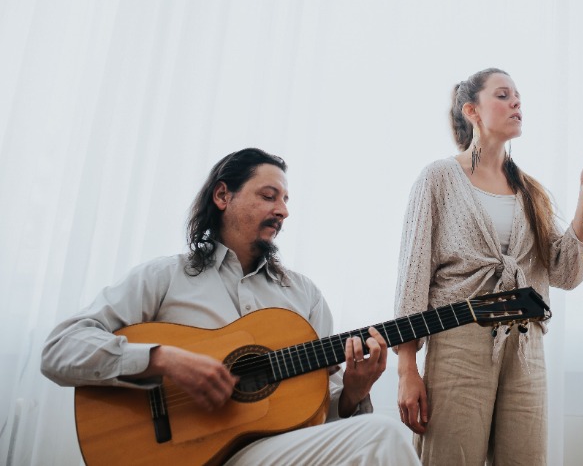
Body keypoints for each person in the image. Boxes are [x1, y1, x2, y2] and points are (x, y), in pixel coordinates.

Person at [41, 148, 420, 465]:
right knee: (384, 435)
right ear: (223, 196)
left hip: (269, 452)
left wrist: (354, 394)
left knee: (380, 434)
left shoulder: (304, 297)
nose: (283, 210)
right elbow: (59, 350)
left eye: (286, 200)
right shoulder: (164, 277)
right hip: (180, 455)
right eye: (269, 196)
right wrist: (163, 359)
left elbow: (325, 420)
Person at [394, 67, 583, 465]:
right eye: (503, 95)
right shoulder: (439, 178)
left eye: (518, 97)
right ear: (472, 111)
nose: (516, 103)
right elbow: (413, 275)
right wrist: (407, 368)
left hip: (526, 344)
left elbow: (563, 272)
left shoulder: (530, 190)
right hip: (458, 339)